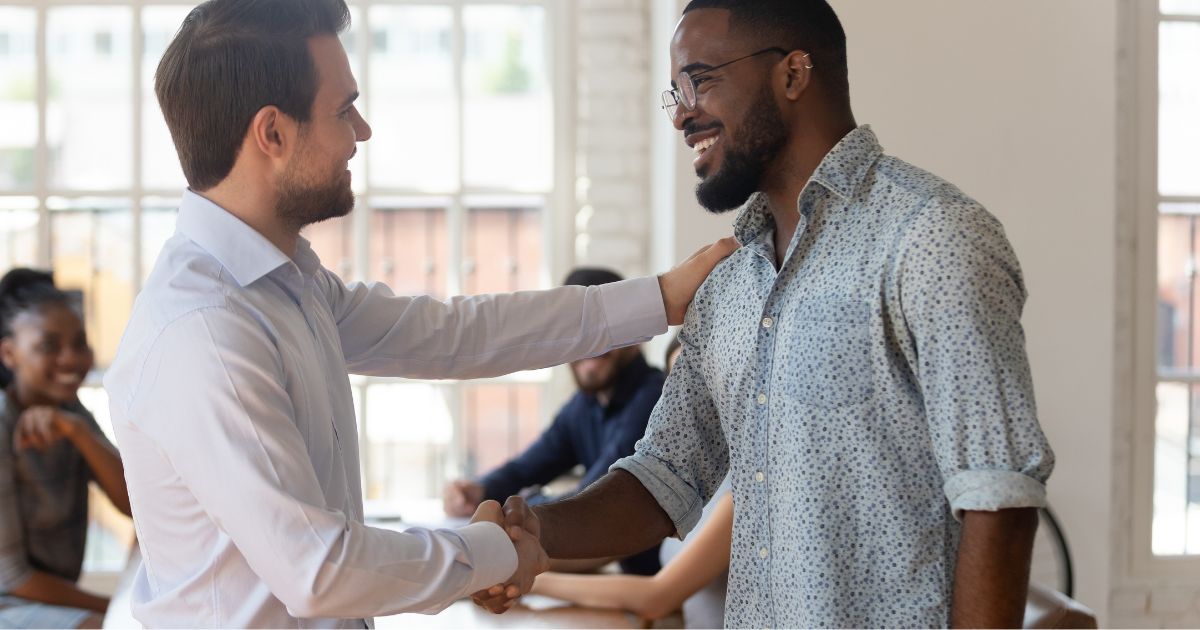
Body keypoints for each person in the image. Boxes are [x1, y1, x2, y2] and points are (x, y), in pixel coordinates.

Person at [103, 0, 736, 627]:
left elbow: (455, 334)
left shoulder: (289, 284)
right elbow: (321, 571)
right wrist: (494, 553)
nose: (362, 131)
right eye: (343, 108)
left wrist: (659, 298)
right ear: (272, 132)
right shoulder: (207, 327)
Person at [478, 1, 1056, 627]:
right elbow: (663, 478)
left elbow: (998, 495)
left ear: (793, 73)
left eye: (700, 79)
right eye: (673, 91)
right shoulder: (726, 282)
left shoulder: (932, 237)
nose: (681, 113)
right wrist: (530, 534)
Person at [444, 267, 666, 576]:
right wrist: (478, 492)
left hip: (654, 595)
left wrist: (521, 514)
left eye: (602, 328)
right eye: (576, 331)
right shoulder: (582, 407)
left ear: (634, 333)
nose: (590, 343)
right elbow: (526, 468)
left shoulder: (656, 397)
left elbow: (591, 501)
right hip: (615, 582)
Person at [530, 339, 731, 629]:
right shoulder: (685, 482)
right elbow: (610, 543)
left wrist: (532, 581)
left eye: (703, 388)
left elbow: (658, 596)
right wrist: (519, 560)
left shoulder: (741, 492)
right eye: (682, 389)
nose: (692, 404)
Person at [0, 269, 131, 629]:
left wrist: (78, 433)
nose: (71, 359)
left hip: (40, 602)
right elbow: (13, 579)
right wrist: (115, 607)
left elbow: (134, 503)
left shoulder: (70, 411)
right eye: (49, 346)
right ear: (9, 353)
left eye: (80, 343)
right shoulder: (2, 421)